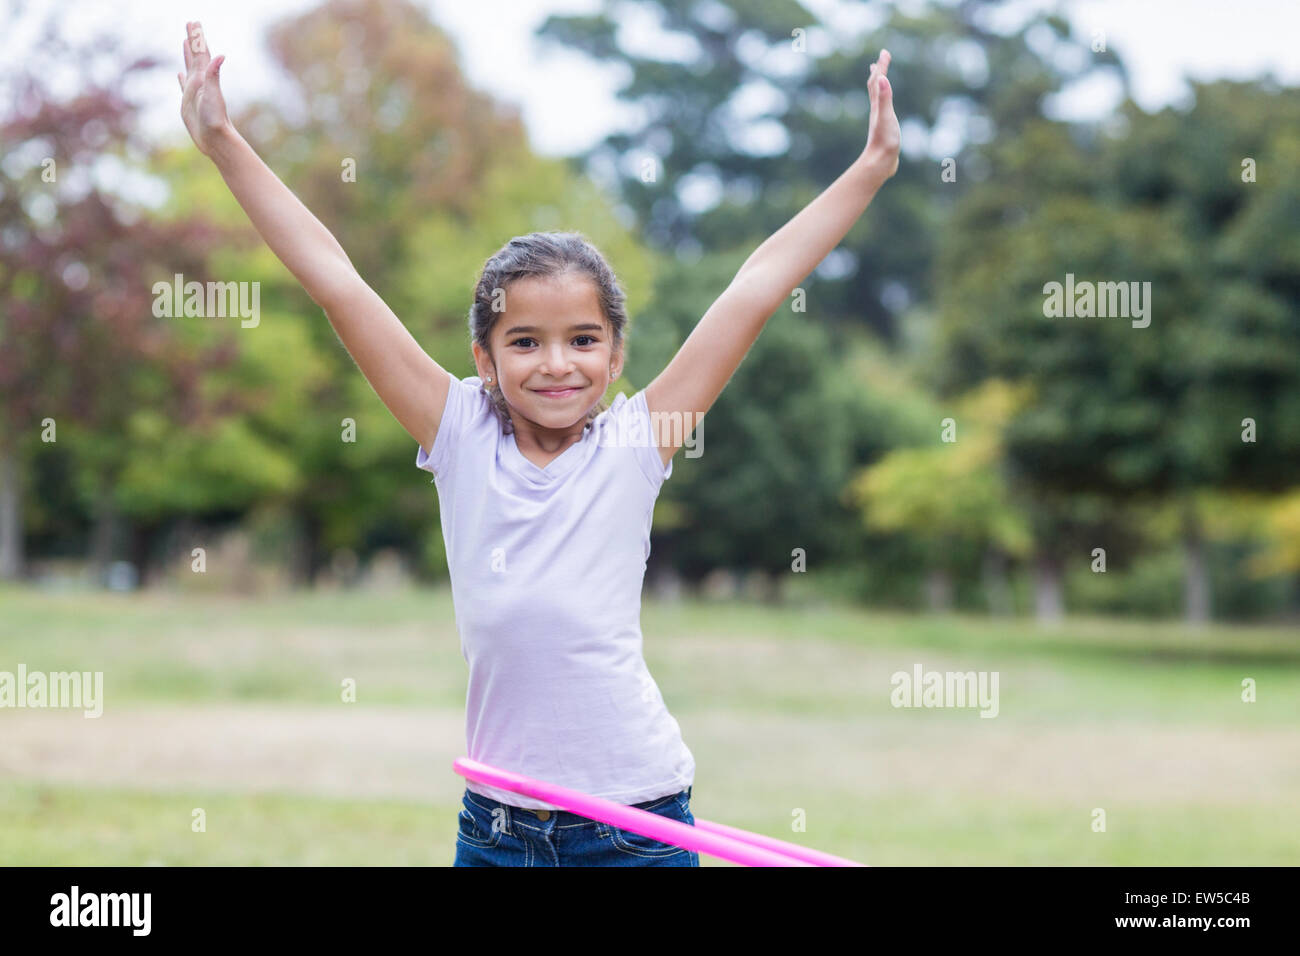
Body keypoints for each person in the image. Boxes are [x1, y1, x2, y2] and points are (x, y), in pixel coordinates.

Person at [178, 19, 900, 866]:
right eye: (525, 342)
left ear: (617, 354)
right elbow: (337, 281)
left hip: (634, 824)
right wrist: (223, 141)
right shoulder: (455, 433)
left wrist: (870, 169)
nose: (557, 364)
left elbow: (755, 289)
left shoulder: (641, 441)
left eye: (584, 340)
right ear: (484, 356)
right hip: (496, 829)